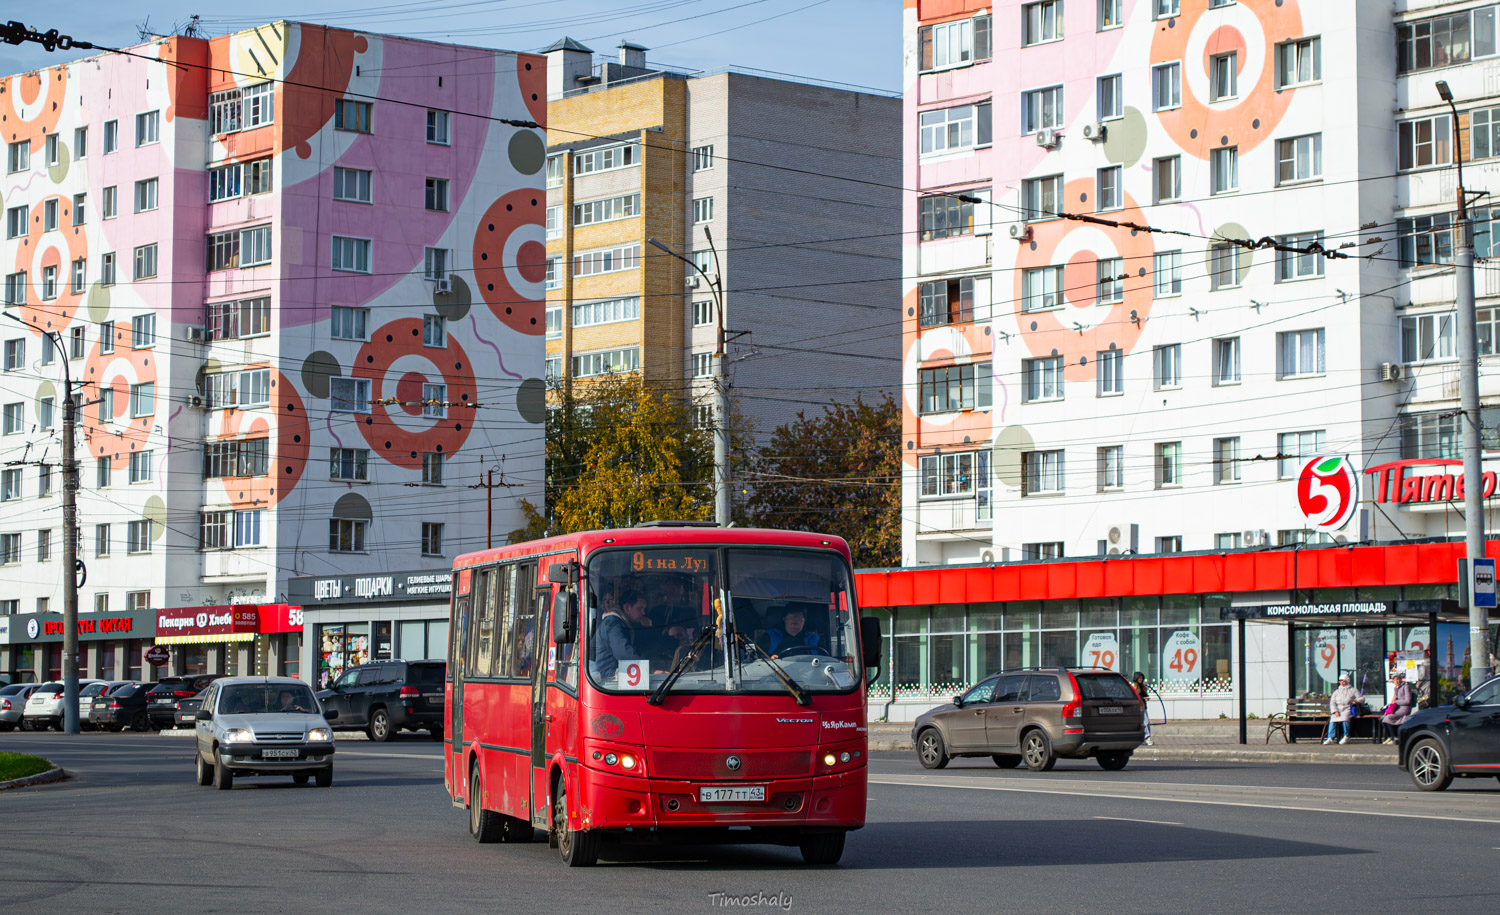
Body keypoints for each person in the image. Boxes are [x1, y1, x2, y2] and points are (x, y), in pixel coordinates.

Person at [592, 589, 649, 680]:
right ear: (627, 608)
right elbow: (624, 654)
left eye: (644, 609)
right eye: (639, 609)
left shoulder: (625, 624)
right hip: (606, 682)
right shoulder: (613, 624)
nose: (643, 613)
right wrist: (650, 670)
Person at [757, 606, 822, 658]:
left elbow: (823, 659)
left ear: (804, 620)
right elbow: (759, 657)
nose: (795, 619)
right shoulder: (770, 636)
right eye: (792, 616)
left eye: (800, 616)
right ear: (784, 619)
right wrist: (770, 657)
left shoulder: (814, 639)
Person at [1325, 674, 1362, 745]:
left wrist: (1356, 701)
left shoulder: (1353, 690)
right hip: (1338, 709)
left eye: (1343, 681)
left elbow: (1361, 698)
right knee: (1332, 720)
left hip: (1347, 708)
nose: (1342, 683)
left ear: (1347, 681)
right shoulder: (1336, 692)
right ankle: (1330, 738)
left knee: (1345, 719)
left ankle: (1346, 736)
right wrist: (1335, 711)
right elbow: (1332, 702)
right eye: (1341, 681)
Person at [1380, 672, 1414, 745]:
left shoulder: (1406, 687)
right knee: (1383, 718)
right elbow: (1394, 700)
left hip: (1404, 708)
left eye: (1398, 679)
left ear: (1400, 679)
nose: (1397, 681)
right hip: (1397, 708)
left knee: (1388, 718)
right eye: (1395, 680)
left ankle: (1394, 737)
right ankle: (1389, 737)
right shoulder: (1395, 688)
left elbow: (1408, 701)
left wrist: (1396, 701)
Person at [1131, 672, 1153, 747]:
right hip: (1139, 707)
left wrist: (1146, 698)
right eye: (1139, 678)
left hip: (1143, 707)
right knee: (1145, 722)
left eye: (1142, 678)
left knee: (1146, 722)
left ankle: (1144, 738)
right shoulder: (1135, 687)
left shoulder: (1143, 687)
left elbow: (1144, 695)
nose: (1141, 679)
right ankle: (1147, 737)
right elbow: (1135, 697)